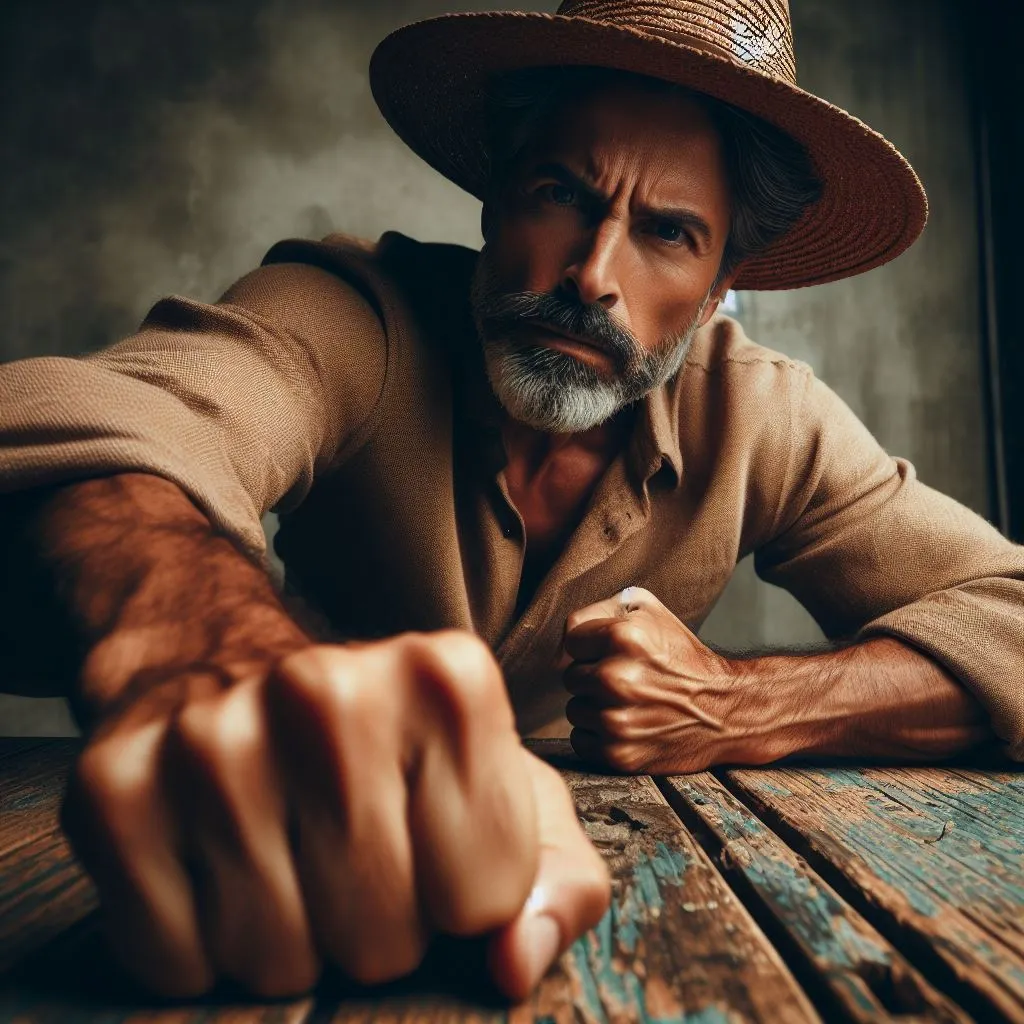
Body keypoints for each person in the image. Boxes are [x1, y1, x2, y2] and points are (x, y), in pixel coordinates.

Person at [1, 0, 1022, 1004]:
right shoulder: (354, 315)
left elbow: (1009, 614)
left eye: (667, 232)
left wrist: (738, 704)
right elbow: (106, 421)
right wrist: (205, 646)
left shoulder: (762, 414)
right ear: (494, 197)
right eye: (562, 195)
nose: (592, 278)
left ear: (717, 289)